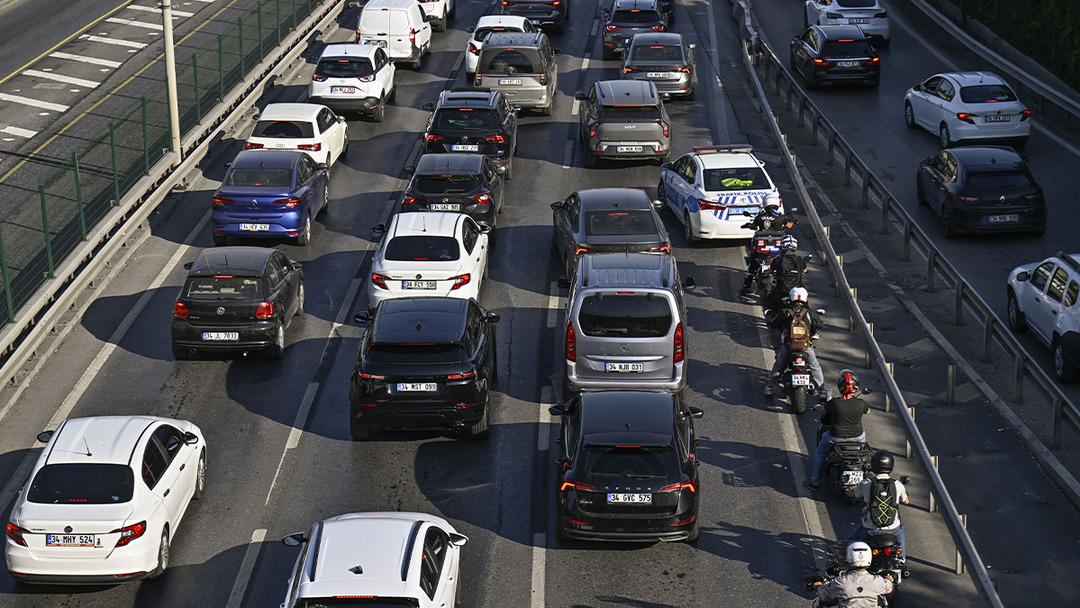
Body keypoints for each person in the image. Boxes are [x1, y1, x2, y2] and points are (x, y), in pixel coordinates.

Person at [805, 370, 870, 492]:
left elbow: (822, 409)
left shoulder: (834, 404)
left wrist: (815, 407)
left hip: (836, 437)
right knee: (863, 444)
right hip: (857, 437)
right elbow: (868, 411)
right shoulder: (861, 403)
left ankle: (813, 483)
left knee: (820, 454)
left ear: (840, 387)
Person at [765, 287, 825, 398]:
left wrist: (770, 319)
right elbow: (820, 325)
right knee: (815, 367)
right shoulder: (809, 313)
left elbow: (774, 324)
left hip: (789, 347)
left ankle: (769, 387)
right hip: (805, 347)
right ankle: (822, 391)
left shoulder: (785, 312)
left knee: (779, 365)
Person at [850, 451, 910, 556]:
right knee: (900, 539)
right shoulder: (897, 484)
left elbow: (854, 494)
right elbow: (906, 501)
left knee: (851, 541)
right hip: (893, 528)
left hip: (870, 528)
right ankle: (902, 559)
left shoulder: (866, 483)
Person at [812, 541, 895, 608]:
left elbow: (824, 596)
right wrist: (888, 580)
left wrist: (819, 586)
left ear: (849, 557)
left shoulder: (841, 581)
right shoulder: (877, 581)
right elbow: (889, 588)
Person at [766, 235, 808, 309]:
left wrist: (768, 272)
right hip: (797, 289)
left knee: (770, 302)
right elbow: (804, 270)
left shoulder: (778, 259)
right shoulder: (800, 259)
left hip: (782, 289)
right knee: (806, 305)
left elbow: (771, 270)